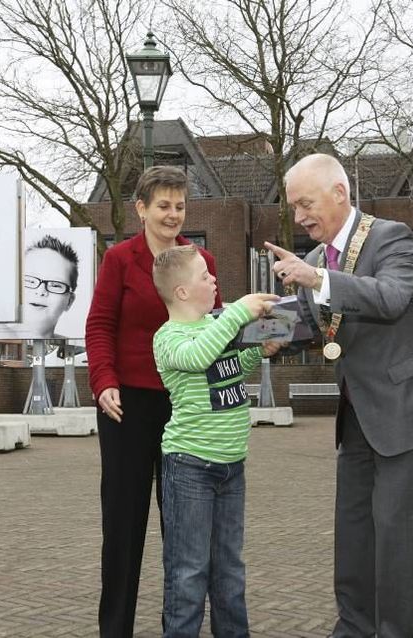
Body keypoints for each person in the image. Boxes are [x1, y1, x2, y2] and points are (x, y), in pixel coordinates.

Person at [265, 153, 413, 638]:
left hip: (410, 411)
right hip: (358, 416)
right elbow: (311, 325)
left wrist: (317, 280)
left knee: (397, 537)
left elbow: (391, 297)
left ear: (339, 193)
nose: (299, 217)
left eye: (305, 204)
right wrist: (254, 332)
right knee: (354, 536)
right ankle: (353, 630)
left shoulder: (391, 237)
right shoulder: (316, 259)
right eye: (293, 208)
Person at [85, 166, 222, 637]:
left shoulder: (201, 259)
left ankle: (178, 627)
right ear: (141, 209)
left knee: (182, 529)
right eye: (163, 205)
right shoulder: (120, 261)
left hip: (184, 406)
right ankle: (115, 629)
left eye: (180, 206)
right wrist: (104, 381)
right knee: (123, 524)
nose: (173, 214)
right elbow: (100, 324)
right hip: (127, 406)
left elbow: (213, 324)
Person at [151, 245, 280, 637]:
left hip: (231, 467)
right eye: (205, 277)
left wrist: (259, 351)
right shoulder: (169, 337)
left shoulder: (215, 329)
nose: (214, 281)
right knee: (189, 574)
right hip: (189, 468)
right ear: (183, 293)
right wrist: (239, 311)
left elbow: (225, 368)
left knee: (229, 571)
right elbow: (198, 358)